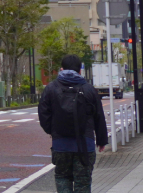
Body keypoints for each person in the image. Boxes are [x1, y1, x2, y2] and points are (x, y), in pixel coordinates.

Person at [38, 54, 108, 193]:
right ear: (80, 71)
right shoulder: (89, 89)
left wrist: (53, 130)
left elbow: (43, 114)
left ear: (61, 69)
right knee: (83, 181)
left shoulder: (51, 88)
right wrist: (101, 140)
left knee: (62, 177)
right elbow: (98, 116)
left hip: (60, 144)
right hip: (85, 144)